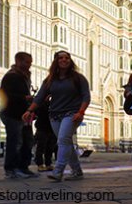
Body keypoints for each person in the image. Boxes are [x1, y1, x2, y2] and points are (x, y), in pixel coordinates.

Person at [23, 50, 90, 182]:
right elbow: (40, 97)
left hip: (72, 113)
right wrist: (29, 110)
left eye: (66, 58)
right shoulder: (50, 80)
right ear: (56, 61)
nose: (64, 60)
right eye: (60, 58)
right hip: (54, 116)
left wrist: (81, 112)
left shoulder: (78, 78)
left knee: (63, 140)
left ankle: (58, 171)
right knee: (67, 143)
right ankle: (77, 171)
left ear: (70, 61)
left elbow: (86, 96)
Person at [0, 51, 37, 179]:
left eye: (30, 63)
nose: (29, 65)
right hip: (12, 113)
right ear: (18, 61)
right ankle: (11, 169)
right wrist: (24, 98)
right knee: (15, 141)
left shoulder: (24, 76)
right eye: (27, 62)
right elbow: (3, 94)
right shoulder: (12, 76)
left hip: (23, 114)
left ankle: (23, 167)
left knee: (28, 141)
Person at [34, 97, 57, 172]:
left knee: (50, 148)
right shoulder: (40, 104)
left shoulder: (53, 104)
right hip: (42, 128)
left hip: (51, 128)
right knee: (41, 147)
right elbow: (37, 112)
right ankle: (40, 164)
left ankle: (48, 163)